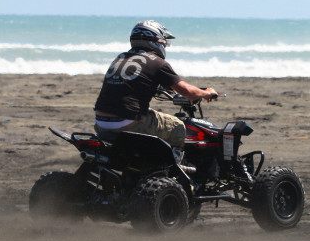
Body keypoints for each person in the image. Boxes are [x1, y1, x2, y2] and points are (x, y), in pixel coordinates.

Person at [93, 20, 218, 148]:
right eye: (165, 42)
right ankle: (173, 165)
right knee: (178, 126)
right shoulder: (157, 62)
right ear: (157, 40)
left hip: (100, 122)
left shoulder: (120, 58)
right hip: (128, 121)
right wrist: (207, 93)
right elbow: (188, 92)